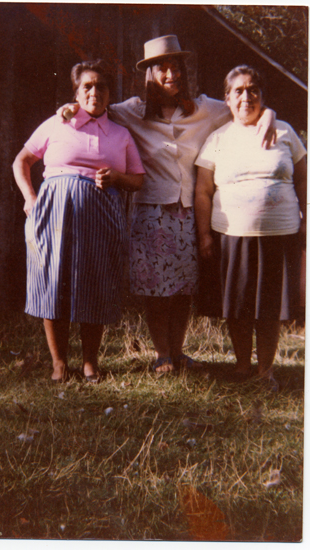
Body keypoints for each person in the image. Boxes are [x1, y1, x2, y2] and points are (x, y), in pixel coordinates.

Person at [60, 36, 276, 375]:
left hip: (190, 212)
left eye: (176, 67)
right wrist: (70, 108)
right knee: (156, 289)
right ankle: (162, 355)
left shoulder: (207, 109)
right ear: (150, 74)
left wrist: (269, 115)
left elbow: (244, 106)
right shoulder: (131, 111)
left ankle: (179, 352)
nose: (171, 74)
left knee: (183, 287)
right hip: (151, 212)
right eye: (163, 68)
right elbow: (95, 107)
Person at [12, 59, 144, 383]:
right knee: (53, 282)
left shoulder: (121, 133)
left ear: (110, 93)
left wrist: (116, 177)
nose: (94, 91)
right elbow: (22, 161)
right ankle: (59, 362)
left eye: (101, 86)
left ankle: (89, 362)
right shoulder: (58, 124)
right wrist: (31, 199)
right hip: (54, 213)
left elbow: (138, 179)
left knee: (95, 284)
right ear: (77, 91)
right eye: (87, 85)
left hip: (101, 214)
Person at [194, 65, 307, 391]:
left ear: (262, 95)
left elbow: (303, 179)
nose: (247, 96)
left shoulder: (285, 131)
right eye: (239, 91)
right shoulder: (218, 138)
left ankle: (265, 370)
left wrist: (306, 220)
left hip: (280, 233)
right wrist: (204, 235)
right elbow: (203, 190)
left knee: (270, 307)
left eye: (253, 89)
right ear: (227, 99)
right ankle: (243, 366)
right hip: (232, 235)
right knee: (239, 305)